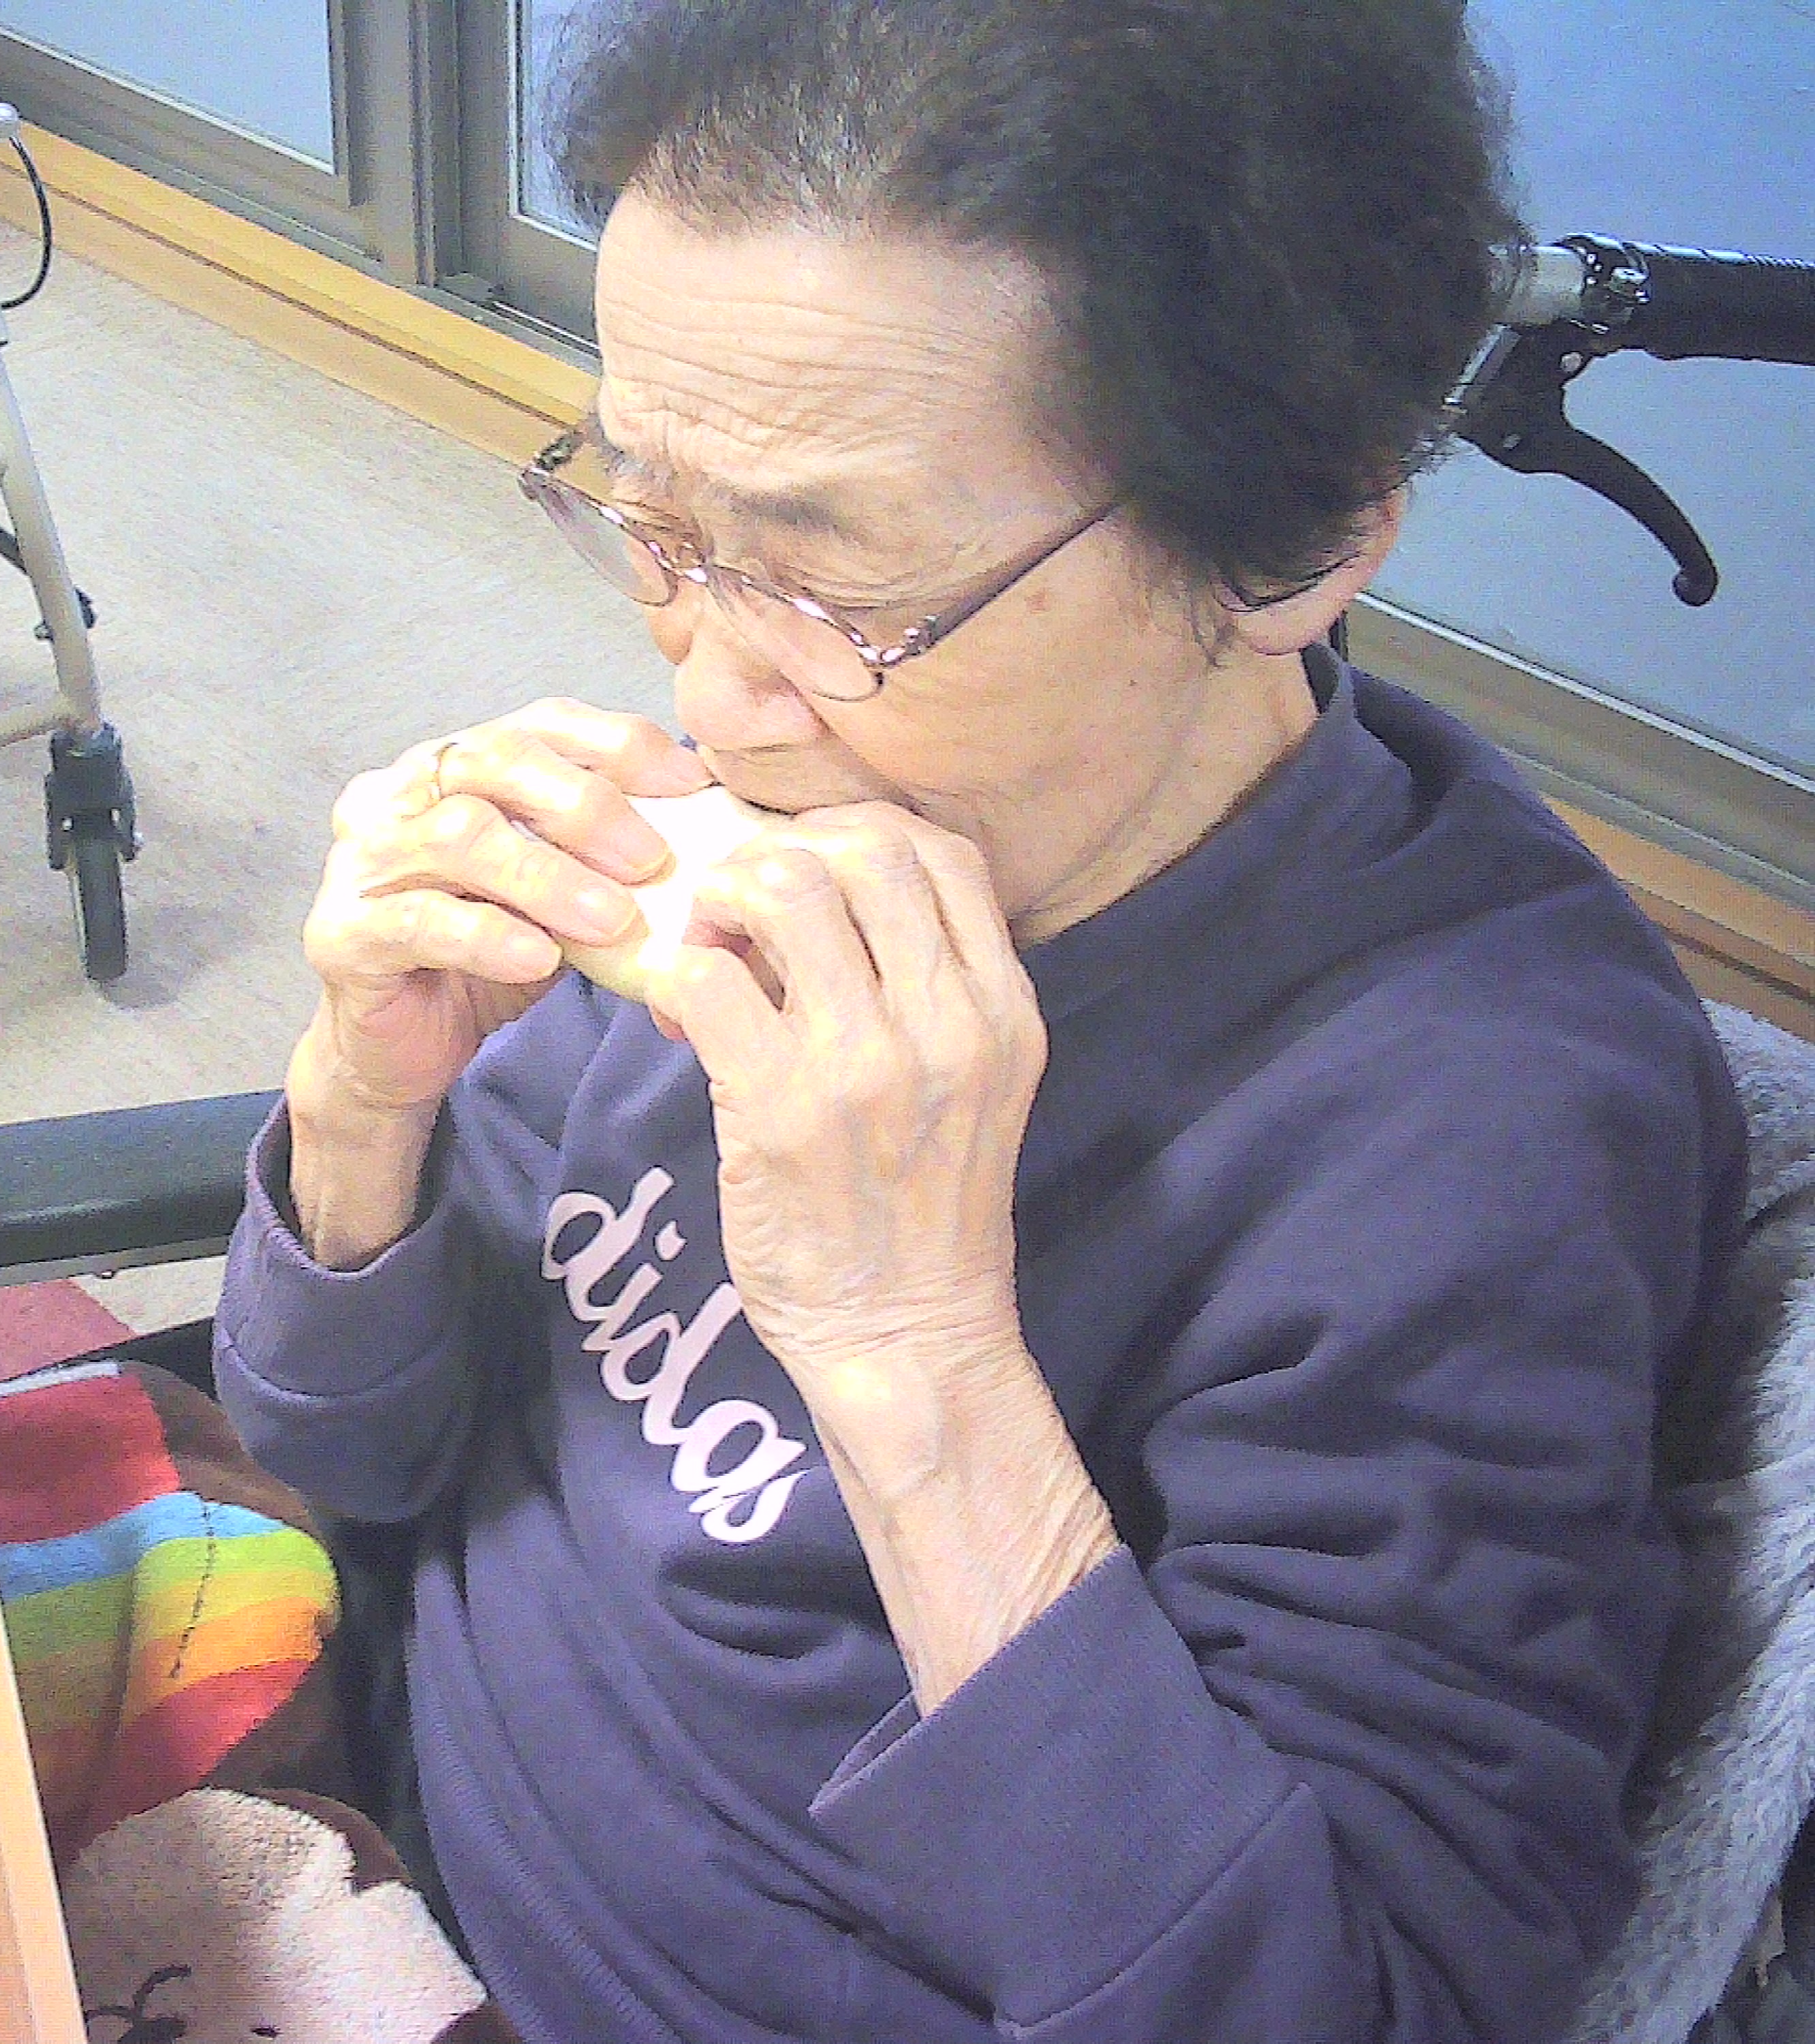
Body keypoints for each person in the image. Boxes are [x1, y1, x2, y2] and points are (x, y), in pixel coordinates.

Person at [211, 1, 1749, 2037]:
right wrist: (364, 1108)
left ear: (1299, 539)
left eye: (840, 591)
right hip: (361, 1775)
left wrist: (914, 1350)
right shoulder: (799, 817)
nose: (714, 696)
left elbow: (1328, 2005)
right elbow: (351, 1444)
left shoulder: (1477, 1150)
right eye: (660, 525)